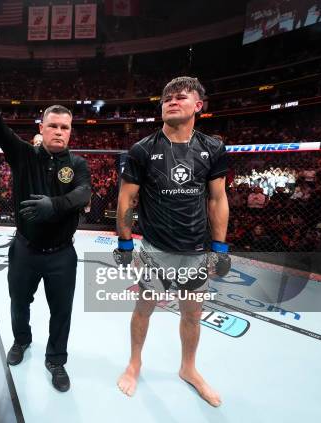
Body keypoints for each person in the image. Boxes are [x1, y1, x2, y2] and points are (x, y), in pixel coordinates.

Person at [0, 39, 91, 392]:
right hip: (24, 250)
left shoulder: (79, 164)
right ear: (41, 128)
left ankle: (56, 360)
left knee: (61, 313)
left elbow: (84, 193)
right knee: (18, 302)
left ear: (71, 131)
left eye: (65, 127)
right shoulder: (23, 155)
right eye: (53, 125)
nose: (59, 131)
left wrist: (53, 206)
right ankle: (21, 340)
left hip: (61, 255)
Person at [114, 77, 230, 407]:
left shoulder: (212, 148)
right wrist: (124, 243)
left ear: (198, 106)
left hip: (196, 251)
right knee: (144, 309)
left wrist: (220, 247)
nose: (171, 102)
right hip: (154, 250)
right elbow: (126, 200)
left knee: (193, 314)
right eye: (166, 98)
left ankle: (188, 369)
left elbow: (217, 199)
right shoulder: (142, 149)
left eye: (180, 97)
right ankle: (135, 363)